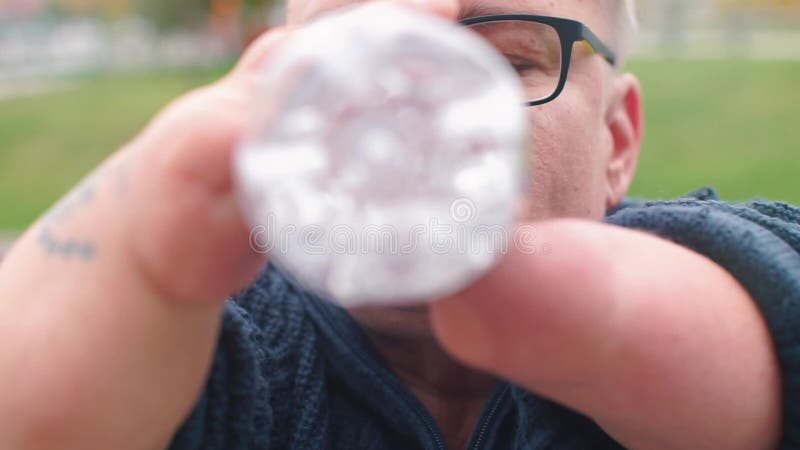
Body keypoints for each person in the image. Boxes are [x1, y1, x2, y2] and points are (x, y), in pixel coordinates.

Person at [0, 0, 798, 448]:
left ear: (616, 142)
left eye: (507, 61)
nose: (421, 105)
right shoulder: (231, 346)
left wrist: (729, 355)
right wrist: (146, 259)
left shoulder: (673, 260)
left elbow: (773, 267)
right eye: (352, 60)